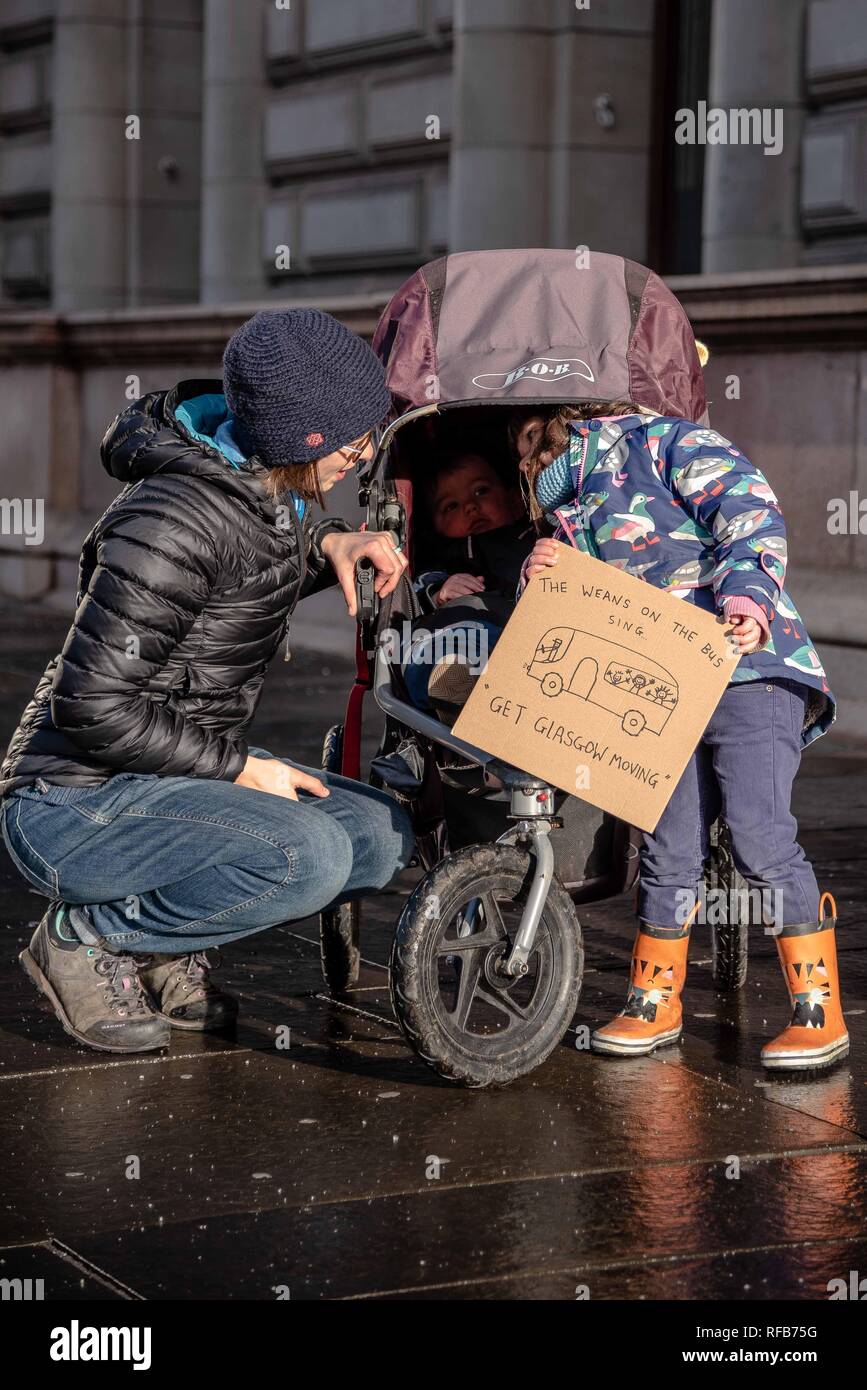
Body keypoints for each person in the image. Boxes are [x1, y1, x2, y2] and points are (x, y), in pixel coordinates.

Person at [0, 308, 414, 1054]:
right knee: (307, 856)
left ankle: (157, 945)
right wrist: (242, 765)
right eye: (353, 439)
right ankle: (88, 935)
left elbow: (258, 545)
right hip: (74, 802)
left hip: (164, 782)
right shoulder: (169, 523)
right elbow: (90, 704)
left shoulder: (256, 485)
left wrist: (331, 540)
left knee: (378, 835)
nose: (364, 452)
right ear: (297, 438)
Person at [515, 401, 846, 1073]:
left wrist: (748, 594)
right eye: (517, 453)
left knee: (759, 833)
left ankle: (817, 1008)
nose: (524, 461)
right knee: (666, 842)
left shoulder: (658, 442)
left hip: (746, 668)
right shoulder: (571, 508)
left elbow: (748, 508)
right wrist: (543, 572)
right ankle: (652, 999)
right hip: (659, 688)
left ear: (564, 418)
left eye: (529, 441)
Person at [400, 448, 534, 720]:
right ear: (434, 526)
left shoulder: (533, 537)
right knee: (429, 646)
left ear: (515, 502)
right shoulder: (445, 555)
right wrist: (439, 592)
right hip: (468, 628)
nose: (470, 507)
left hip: (524, 633)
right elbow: (417, 587)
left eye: (481, 491)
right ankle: (453, 688)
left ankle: (473, 689)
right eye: (450, 506)